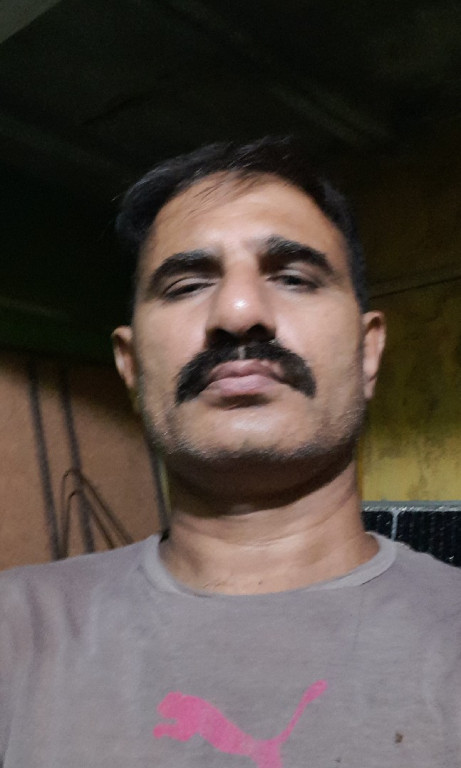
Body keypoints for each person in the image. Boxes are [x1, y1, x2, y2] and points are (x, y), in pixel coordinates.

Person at [1, 137, 460, 768]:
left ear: (368, 351)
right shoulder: (15, 632)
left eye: (294, 278)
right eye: (188, 284)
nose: (240, 313)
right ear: (130, 365)